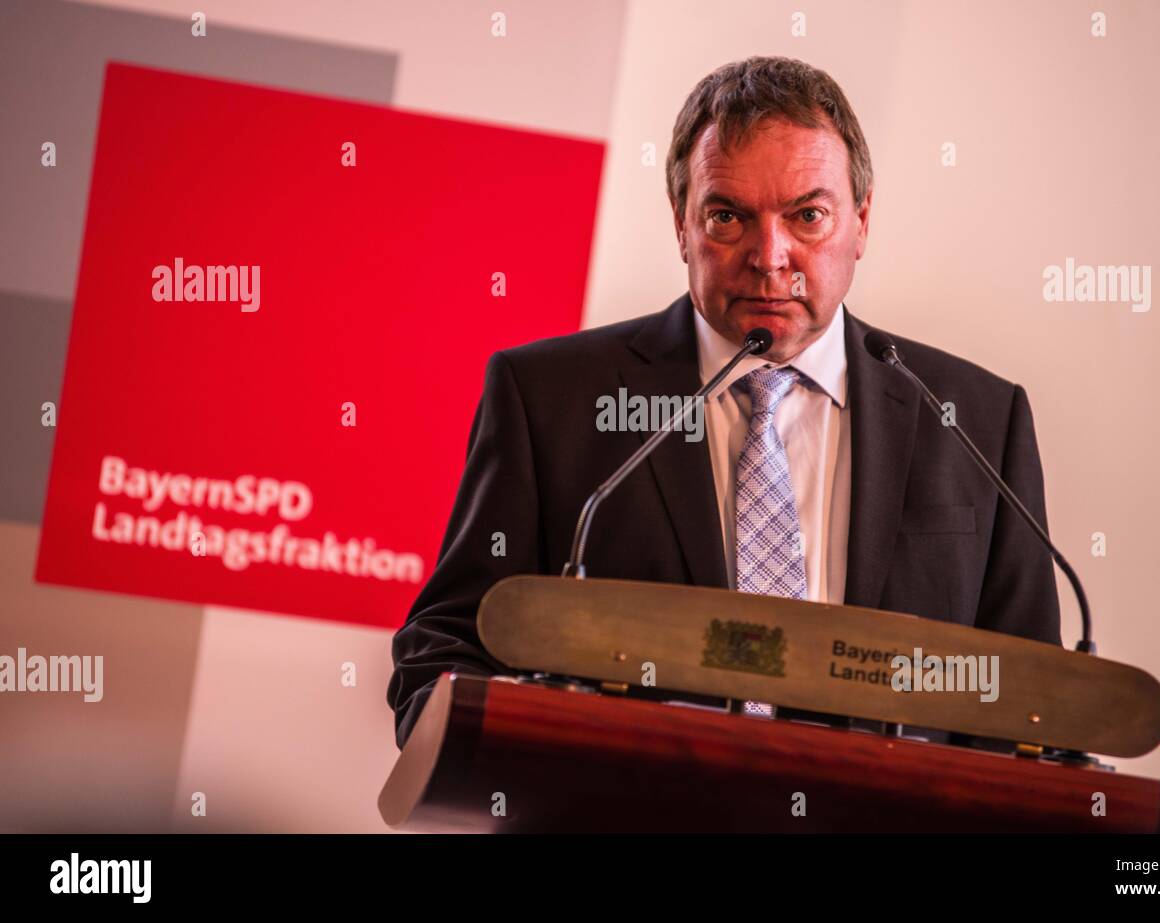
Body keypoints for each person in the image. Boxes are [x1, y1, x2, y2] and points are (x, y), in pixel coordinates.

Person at [387, 56, 1061, 750]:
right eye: (728, 216)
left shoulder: (978, 421)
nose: (770, 256)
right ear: (681, 224)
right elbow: (446, 650)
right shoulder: (551, 401)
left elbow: (1037, 707)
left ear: (860, 222)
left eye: (807, 216)